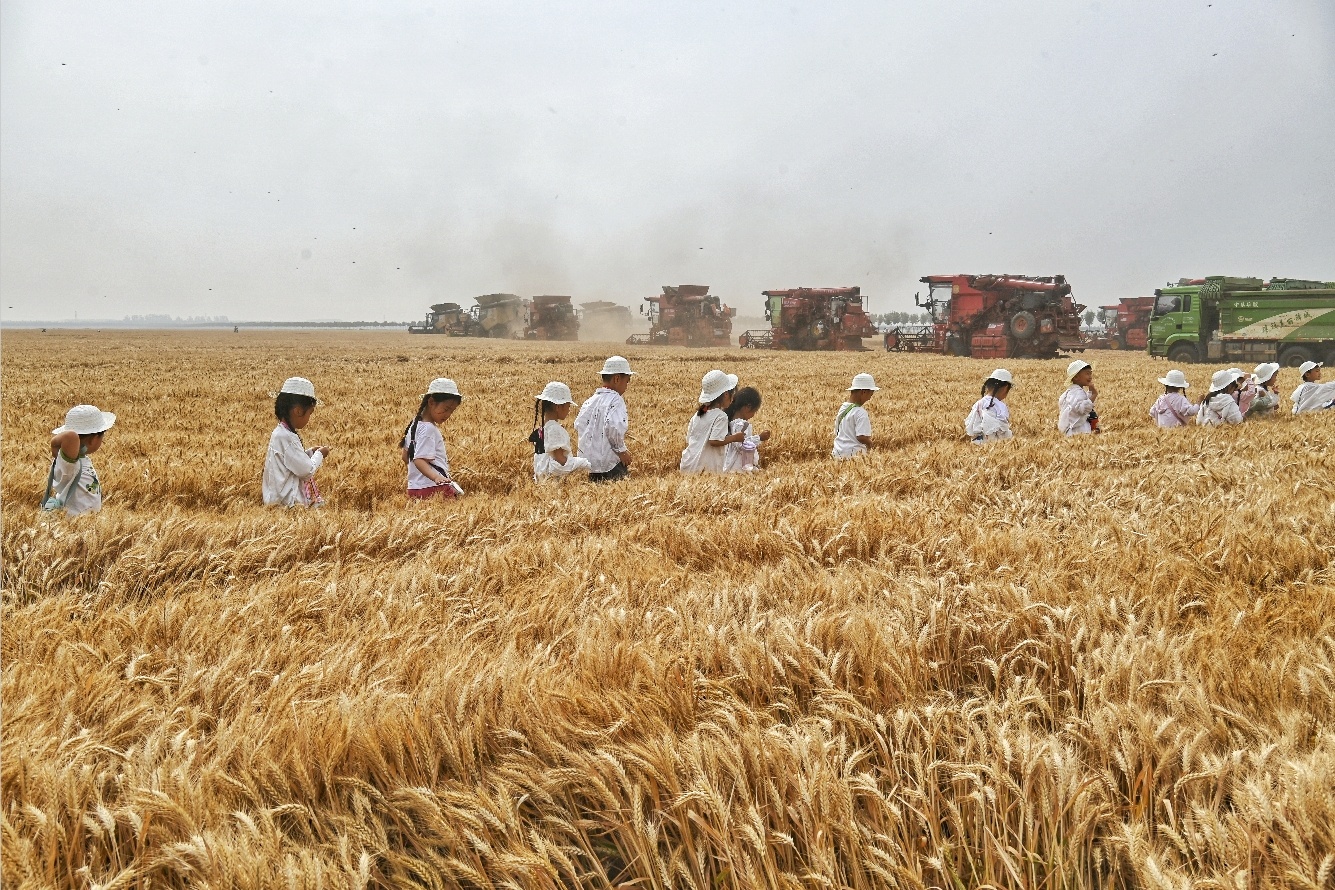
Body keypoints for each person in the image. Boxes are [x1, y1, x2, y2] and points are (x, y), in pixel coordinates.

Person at [263, 377, 331, 507]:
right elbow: (307, 470)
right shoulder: (287, 438)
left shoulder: (279, 433)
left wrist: (310, 452)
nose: (309, 418)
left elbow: (289, 460)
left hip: (275, 502)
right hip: (287, 505)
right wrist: (320, 454)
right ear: (298, 411)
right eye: (310, 413)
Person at [43, 404, 116, 516]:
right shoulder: (71, 462)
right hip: (73, 522)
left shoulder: (78, 459)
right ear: (94, 439)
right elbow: (71, 436)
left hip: (87, 522)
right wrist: (54, 445)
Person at [575, 356, 635, 482]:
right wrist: (621, 451)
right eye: (627, 381)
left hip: (591, 465)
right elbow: (614, 426)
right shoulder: (616, 400)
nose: (627, 386)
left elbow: (579, 424)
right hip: (610, 464)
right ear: (617, 379)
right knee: (620, 494)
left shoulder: (590, 400)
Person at [401, 378, 463, 499]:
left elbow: (405, 457)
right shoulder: (429, 429)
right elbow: (419, 459)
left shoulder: (414, 424)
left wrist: (417, 476)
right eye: (446, 409)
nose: (448, 415)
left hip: (414, 488)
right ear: (431, 402)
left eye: (452, 411)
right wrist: (436, 477)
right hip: (434, 488)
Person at [680, 369, 741, 473]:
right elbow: (714, 441)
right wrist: (735, 438)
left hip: (688, 464)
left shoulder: (699, 414)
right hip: (706, 468)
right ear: (726, 394)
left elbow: (689, 439)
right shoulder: (720, 416)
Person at [531, 382, 592, 482]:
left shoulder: (542, 429)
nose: (569, 410)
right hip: (554, 481)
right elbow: (560, 461)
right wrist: (581, 464)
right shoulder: (555, 429)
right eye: (568, 406)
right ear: (558, 407)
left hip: (541, 479)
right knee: (586, 464)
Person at [723, 386, 770, 472]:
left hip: (731, 468)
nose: (754, 415)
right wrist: (759, 438)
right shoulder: (741, 424)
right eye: (754, 411)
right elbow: (742, 445)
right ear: (747, 407)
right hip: (738, 469)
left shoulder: (730, 422)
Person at [833, 373, 878, 459]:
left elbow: (837, 432)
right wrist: (871, 444)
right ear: (863, 392)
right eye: (870, 394)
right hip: (854, 456)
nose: (869, 398)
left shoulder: (843, 408)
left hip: (837, 454)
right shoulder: (860, 412)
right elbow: (862, 437)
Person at [964, 369, 1014, 443]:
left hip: (977, 443)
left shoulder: (978, 403)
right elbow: (1002, 429)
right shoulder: (1001, 406)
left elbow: (970, 426)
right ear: (1005, 388)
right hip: (994, 444)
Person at [1058, 360, 1098, 435]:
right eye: (1087, 373)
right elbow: (1083, 408)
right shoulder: (1078, 392)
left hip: (1070, 431)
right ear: (1076, 377)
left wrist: (1090, 392)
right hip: (1079, 431)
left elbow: (1081, 402)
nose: (1090, 377)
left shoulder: (1070, 392)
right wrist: (1094, 395)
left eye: (1090, 373)